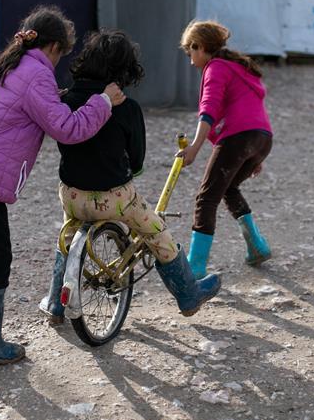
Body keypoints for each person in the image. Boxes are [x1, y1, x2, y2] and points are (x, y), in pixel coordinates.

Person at [0, 6, 125, 368]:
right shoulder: (36, 74)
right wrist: (103, 102)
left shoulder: (10, 66)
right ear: (53, 47)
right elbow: (68, 129)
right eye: (61, 54)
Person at [39, 30, 221, 323]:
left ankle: (56, 305)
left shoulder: (67, 99)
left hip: (73, 196)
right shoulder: (127, 108)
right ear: (126, 70)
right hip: (115, 198)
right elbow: (136, 161)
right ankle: (188, 294)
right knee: (157, 233)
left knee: (66, 238)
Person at [177, 20, 274, 278]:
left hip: (239, 137)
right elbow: (252, 110)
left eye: (190, 52)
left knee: (206, 198)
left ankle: (195, 266)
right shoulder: (240, 68)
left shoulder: (216, 68)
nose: (191, 61)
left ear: (200, 46)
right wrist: (255, 155)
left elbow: (208, 110)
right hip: (262, 139)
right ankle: (257, 245)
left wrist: (195, 148)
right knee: (228, 187)